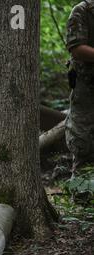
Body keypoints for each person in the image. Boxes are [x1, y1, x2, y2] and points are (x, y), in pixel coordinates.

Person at [65, 0, 94, 177]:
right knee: (84, 140)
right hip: (87, 85)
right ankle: (84, 195)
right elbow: (76, 48)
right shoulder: (82, 11)